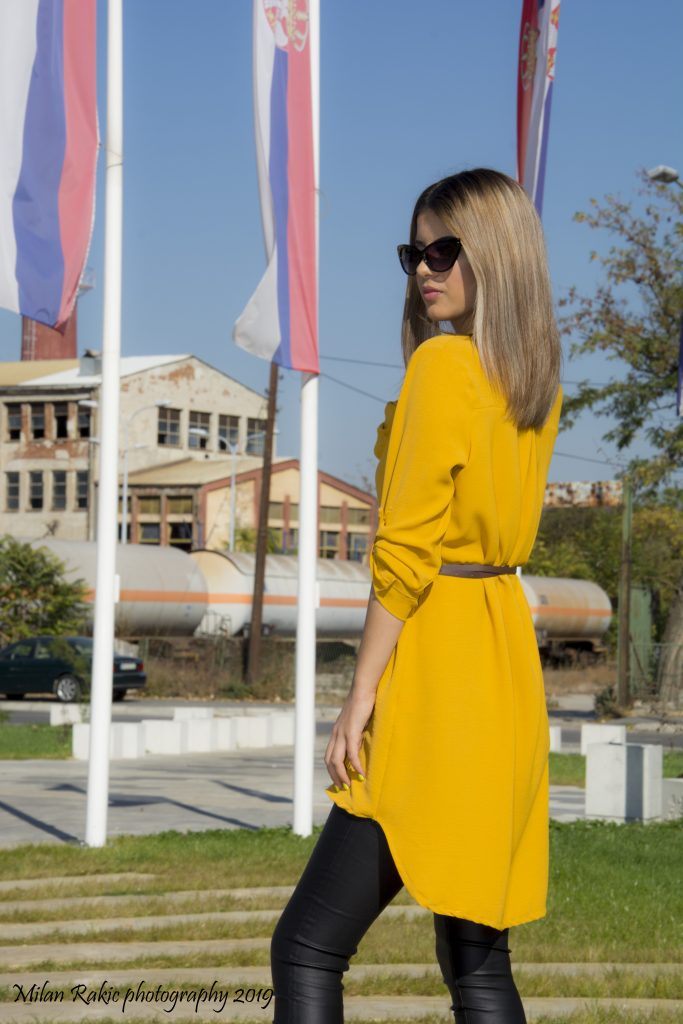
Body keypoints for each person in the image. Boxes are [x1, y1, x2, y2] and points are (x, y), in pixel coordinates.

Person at [270, 167, 563, 1023]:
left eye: (443, 251)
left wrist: (359, 693)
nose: (424, 271)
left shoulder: (445, 367)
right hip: (502, 667)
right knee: (476, 965)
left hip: (436, 667)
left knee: (306, 947)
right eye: (414, 254)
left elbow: (403, 552)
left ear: (495, 255)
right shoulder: (532, 386)